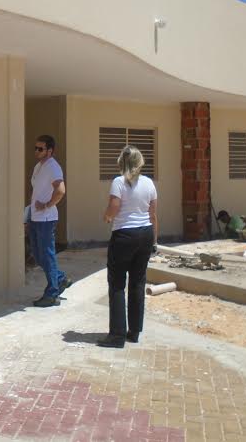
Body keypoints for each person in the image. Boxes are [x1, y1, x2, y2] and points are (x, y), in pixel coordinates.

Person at [98, 145, 158, 348]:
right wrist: (154, 241)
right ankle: (134, 331)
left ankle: (116, 335)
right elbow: (153, 214)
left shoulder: (119, 182)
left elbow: (114, 207)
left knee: (117, 284)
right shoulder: (149, 183)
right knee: (137, 283)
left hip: (124, 235)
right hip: (145, 234)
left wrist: (107, 216)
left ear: (121, 162)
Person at [27, 135, 72, 307]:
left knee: (47, 255)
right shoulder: (39, 166)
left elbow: (60, 191)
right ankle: (60, 279)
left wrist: (46, 205)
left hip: (46, 218)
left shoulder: (53, 167)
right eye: (36, 148)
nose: (36, 151)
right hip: (35, 217)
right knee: (39, 256)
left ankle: (52, 294)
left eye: (40, 149)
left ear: (50, 151)